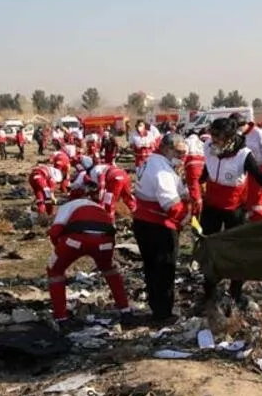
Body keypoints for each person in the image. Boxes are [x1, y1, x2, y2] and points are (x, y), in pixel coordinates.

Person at [201, 117, 262, 307]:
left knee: (237, 249)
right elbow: (206, 169)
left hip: (233, 209)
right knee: (209, 246)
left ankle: (236, 290)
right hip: (211, 207)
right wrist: (196, 186)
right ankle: (210, 289)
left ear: (229, 138)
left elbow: (260, 176)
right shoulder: (209, 147)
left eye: (218, 138)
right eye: (213, 136)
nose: (214, 141)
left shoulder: (243, 155)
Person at [46, 198, 133, 327]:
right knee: (109, 270)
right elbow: (111, 229)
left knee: (55, 271)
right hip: (106, 241)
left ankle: (61, 317)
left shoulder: (66, 207)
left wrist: (60, 250)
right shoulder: (99, 207)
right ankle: (125, 310)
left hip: (76, 239)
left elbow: (55, 232)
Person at [132, 133, 190, 322]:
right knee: (164, 268)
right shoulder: (162, 169)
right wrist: (187, 219)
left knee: (151, 268)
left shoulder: (153, 161)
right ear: (167, 149)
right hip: (158, 225)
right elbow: (170, 203)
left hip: (144, 223)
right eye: (179, 152)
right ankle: (164, 313)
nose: (182, 156)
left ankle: (157, 307)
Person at [70, 156, 136, 214]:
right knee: (127, 197)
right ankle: (135, 214)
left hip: (114, 178)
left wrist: (101, 203)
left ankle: (110, 222)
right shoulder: (101, 166)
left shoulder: (93, 171)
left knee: (109, 202)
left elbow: (102, 185)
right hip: (124, 175)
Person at [183, 130, 206, 217]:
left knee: (194, 189)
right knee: (201, 187)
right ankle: (203, 207)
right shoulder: (201, 143)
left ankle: (196, 211)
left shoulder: (186, 141)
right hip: (203, 166)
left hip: (193, 168)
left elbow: (183, 155)